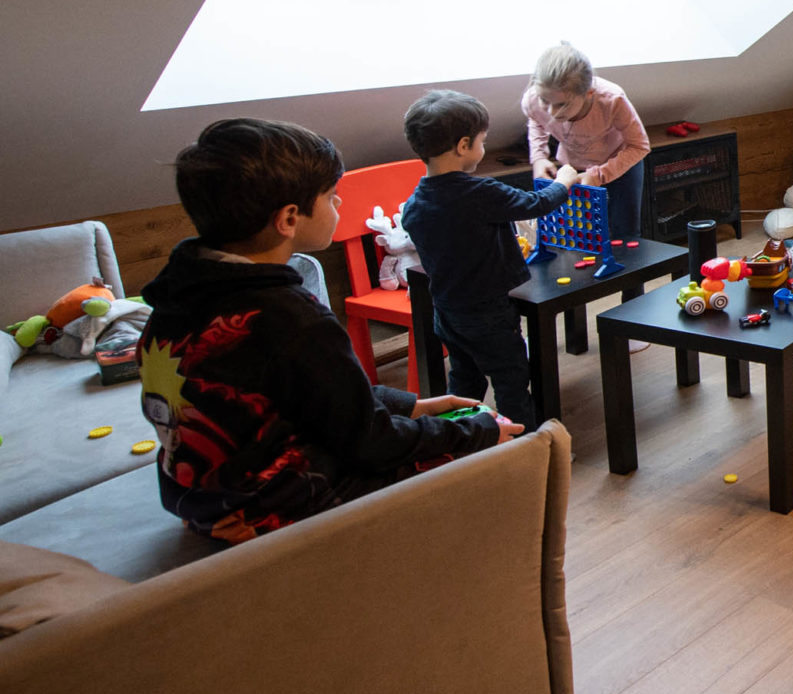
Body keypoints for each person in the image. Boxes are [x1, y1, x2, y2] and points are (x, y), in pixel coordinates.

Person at [138, 118, 515, 545]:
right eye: (332, 198)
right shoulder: (293, 319)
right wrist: (478, 432)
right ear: (289, 218)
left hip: (195, 498)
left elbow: (318, 395)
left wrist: (413, 406)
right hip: (267, 503)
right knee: (487, 445)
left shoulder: (175, 298)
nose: (338, 205)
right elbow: (370, 442)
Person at [402, 90, 579, 427]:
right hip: (489, 313)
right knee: (511, 379)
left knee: (464, 380)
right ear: (463, 146)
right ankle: (524, 446)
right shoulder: (480, 194)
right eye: (482, 142)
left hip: (448, 312)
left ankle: (463, 440)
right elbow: (535, 204)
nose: (483, 149)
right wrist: (564, 182)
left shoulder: (415, 204)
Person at [522, 42, 651, 242]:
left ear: (588, 93)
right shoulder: (533, 99)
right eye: (544, 101)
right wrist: (538, 157)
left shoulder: (611, 99)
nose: (551, 113)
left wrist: (599, 175)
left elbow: (639, 146)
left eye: (562, 105)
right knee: (580, 232)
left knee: (625, 234)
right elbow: (536, 119)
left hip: (621, 165)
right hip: (573, 168)